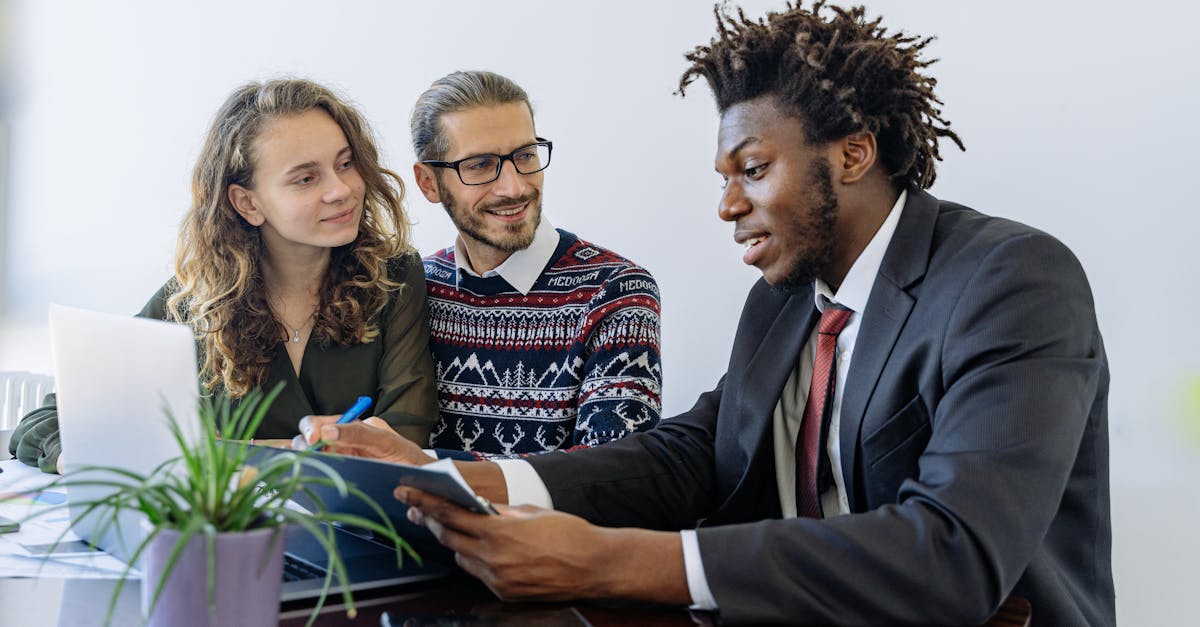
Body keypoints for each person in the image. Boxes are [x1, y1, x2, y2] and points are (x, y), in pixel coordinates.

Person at [298, 4, 1113, 625]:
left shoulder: (1011, 279)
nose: (727, 205)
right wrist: (459, 481)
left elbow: (952, 553)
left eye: (752, 169)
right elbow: (692, 454)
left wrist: (613, 561)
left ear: (853, 154)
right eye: (724, 175)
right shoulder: (784, 302)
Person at [10, 78, 438, 474]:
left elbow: (403, 438)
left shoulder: (395, 277)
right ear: (247, 203)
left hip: (356, 537)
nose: (341, 189)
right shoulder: (195, 299)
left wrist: (221, 454)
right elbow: (47, 422)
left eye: (346, 164)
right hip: (227, 536)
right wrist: (82, 461)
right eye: (306, 178)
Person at [408, 70, 662, 458]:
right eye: (479, 165)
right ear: (428, 182)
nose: (514, 187)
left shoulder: (616, 293)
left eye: (525, 156)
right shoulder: (413, 288)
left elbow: (609, 477)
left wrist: (423, 466)